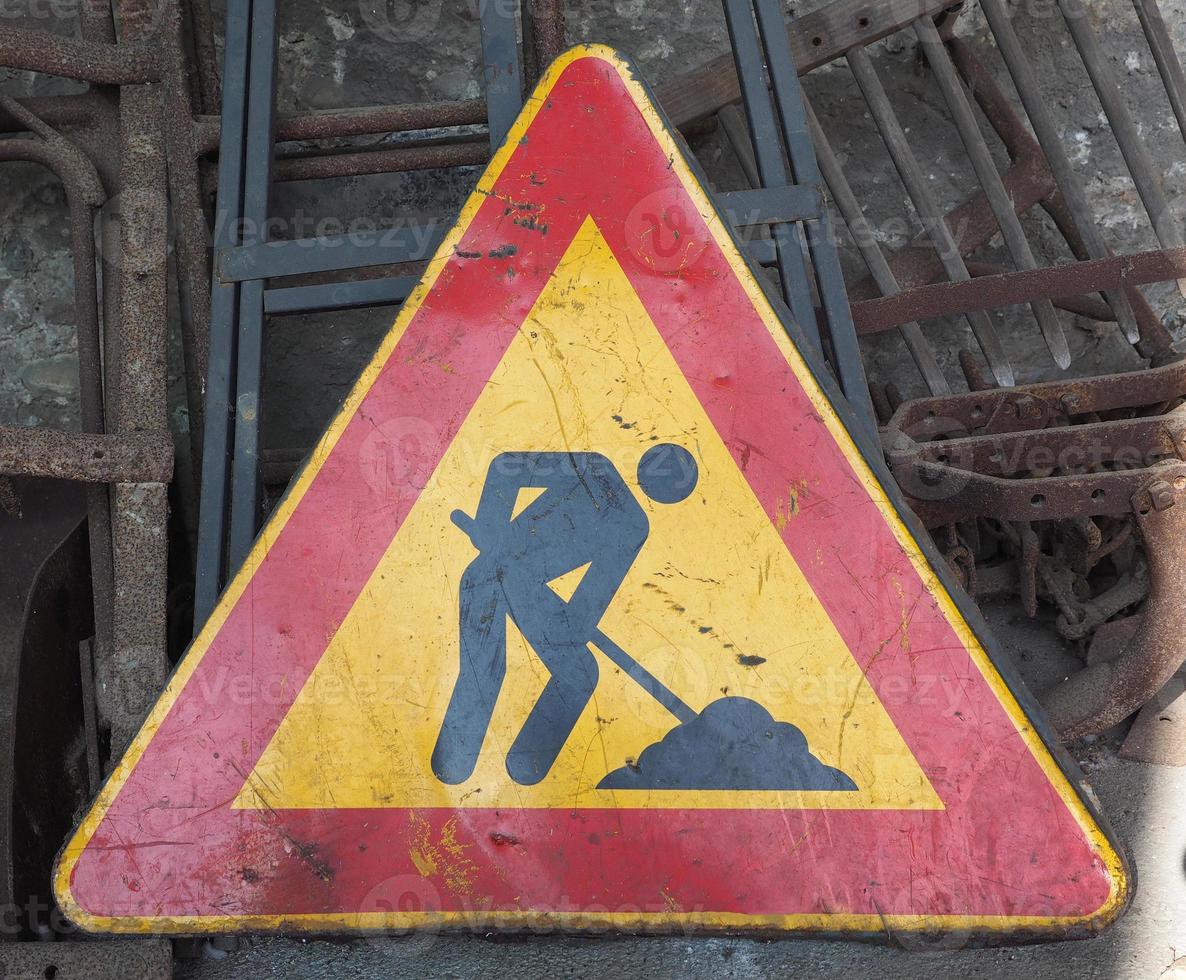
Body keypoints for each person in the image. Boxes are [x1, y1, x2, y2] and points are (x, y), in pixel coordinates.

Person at [432, 443, 697, 785]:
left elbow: (589, 603)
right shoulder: (594, 469)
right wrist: (491, 523)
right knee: (486, 668)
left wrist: (564, 628)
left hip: (531, 595)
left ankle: (526, 769)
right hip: (486, 577)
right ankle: (454, 766)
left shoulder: (633, 526)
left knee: (579, 672)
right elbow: (505, 466)